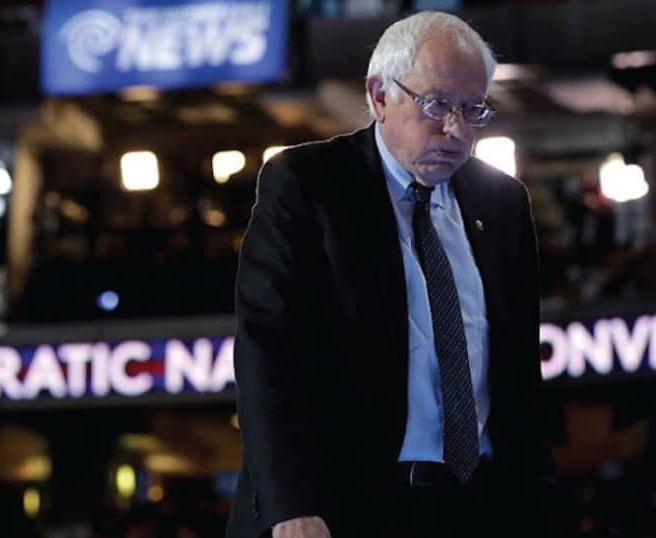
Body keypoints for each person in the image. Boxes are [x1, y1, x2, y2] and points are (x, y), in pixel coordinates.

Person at [228, 11, 553, 538]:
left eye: (474, 110)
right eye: (437, 104)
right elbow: (269, 354)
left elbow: (518, 377)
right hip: (344, 507)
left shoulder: (504, 203)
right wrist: (292, 502)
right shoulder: (308, 185)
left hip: (481, 505)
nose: (457, 129)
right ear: (379, 95)